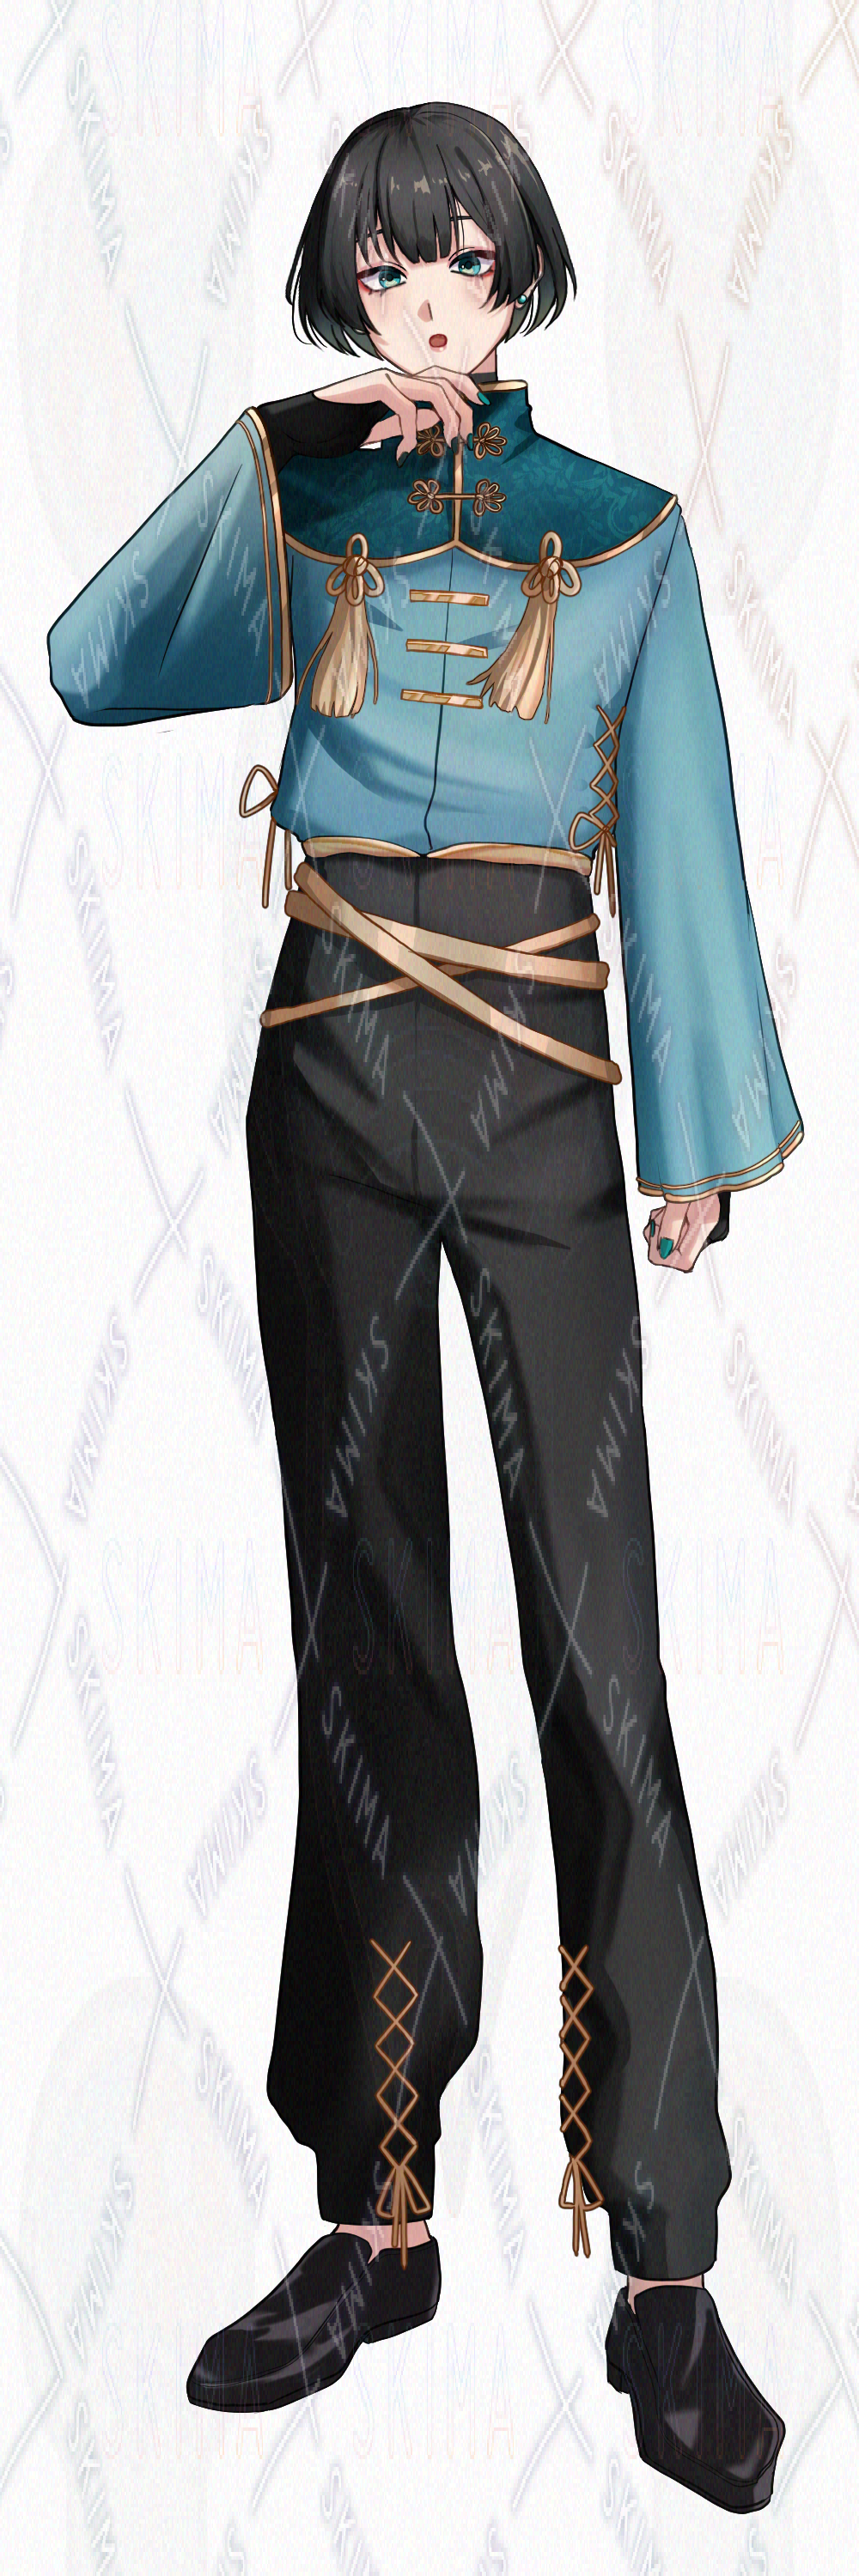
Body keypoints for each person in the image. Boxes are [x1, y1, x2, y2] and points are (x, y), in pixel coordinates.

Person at [47, 99, 801, 2515]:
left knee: (601, 1642)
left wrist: (701, 1128)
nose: (427, 308)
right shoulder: (308, 500)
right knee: (366, 1631)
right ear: (347, 293)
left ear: (527, 279)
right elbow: (94, 666)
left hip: (548, 1093)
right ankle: (376, 2212)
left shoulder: (622, 527)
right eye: (387, 273)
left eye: (461, 265)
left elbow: (674, 823)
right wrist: (275, 446)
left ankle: (664, 2264)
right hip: (335, 1084)